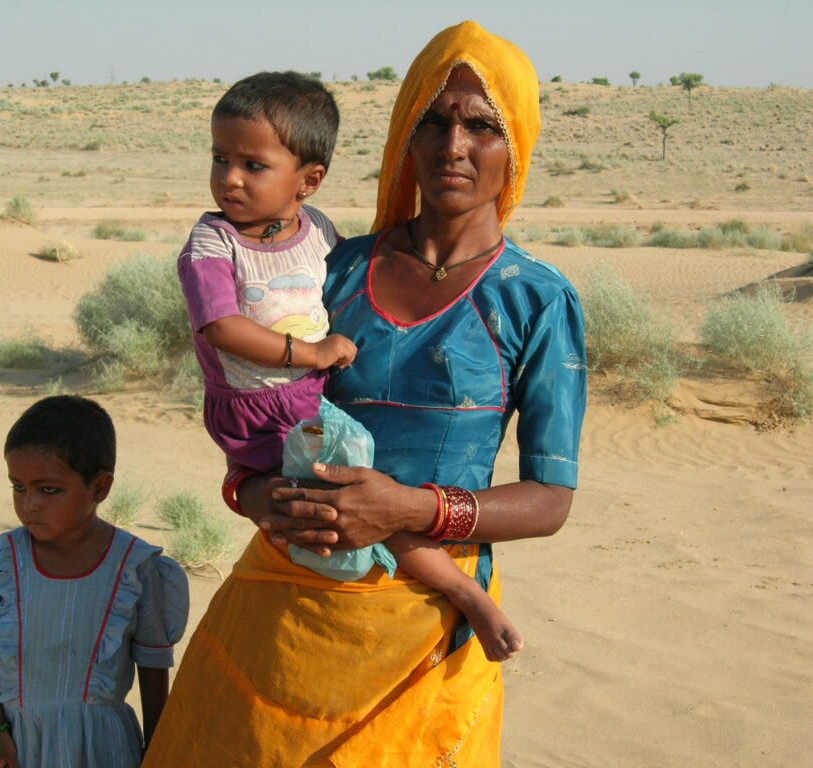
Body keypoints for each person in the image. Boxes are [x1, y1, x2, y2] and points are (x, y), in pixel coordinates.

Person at [146, 19, 586, 768]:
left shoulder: (536, 300)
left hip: (425, 636)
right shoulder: (332, 266)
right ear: (404, 136)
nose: (453, 146)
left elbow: (550, 500)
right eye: (433, 122)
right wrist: (251, 492)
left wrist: (411, 509)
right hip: (280, 620)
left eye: (482, 126)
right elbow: (251, 402)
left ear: (517, 145)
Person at [179, 70, 522, 659]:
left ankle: (462, 591)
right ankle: (462, 589)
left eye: (253, 165)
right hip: (262, 419)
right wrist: (309, 359)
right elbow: (220, 326)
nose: (229, 178)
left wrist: (410, 505)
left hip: (305, 407)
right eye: (219, 159)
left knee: (361, 496)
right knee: (343, 494)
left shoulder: (321, 237)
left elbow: (553, 498)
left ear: (309, 181)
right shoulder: (218, 243)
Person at [0, 396, 189, 768]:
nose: (29, 505)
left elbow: (153, 669)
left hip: (101, 750)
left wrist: (157, 751)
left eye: (48, 490)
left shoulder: (136, 568)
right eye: (18, 487)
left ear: (100, 488)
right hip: (12, 750)